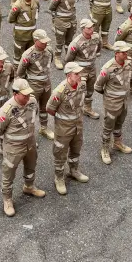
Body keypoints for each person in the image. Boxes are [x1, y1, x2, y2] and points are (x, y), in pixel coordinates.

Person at [0, 79, 46, 216]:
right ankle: (7, 199)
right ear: (15, 94)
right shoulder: (7, 110)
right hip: (13, 148)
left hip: (30, 142)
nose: (27, 97)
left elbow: (35, 116)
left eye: (29, 94)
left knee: (31, 166)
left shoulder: (33, 102)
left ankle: (29, 187)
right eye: (24, 95)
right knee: (8, 174)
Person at [46, 62, 88, 195]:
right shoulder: (60, 91)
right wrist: (62, 119)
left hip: (78, 124)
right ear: (69, 75)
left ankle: (74, 170)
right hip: (64, 128)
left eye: (79, 73)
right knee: (60, 153)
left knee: (76, 149)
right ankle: (59, 177)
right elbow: (50, 109)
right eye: (76, 74)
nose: (79, 75)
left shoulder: (82, 84)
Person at [93, 41, 132, 165]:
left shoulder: (128, 62)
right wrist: (109, 97)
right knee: (108, 126)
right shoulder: (108, 68)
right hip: (112, 103)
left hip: (124, 101)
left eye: (127, 51)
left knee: (120, 123)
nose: (126, 54)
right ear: (116, 53)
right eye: (123, 52)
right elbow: (98, 86)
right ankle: (105, 148)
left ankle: (117, 143)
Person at [17, 29, 55, 140]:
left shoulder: (49, 50)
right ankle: (29, 134)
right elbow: (20, 74)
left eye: (46, 41)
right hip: (33, 86)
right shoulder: (27, 55)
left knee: (45, 107)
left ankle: (44, 128)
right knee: (31, 110)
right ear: (35, 41)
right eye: (42, 41)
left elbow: (49, 63)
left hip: (47, 83)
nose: (45, 43)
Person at [64, 19, 102, 119]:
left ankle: (87, 108)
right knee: (77, 90)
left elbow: (98, 48)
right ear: (82, 29)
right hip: (80, 71)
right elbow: (68, 59)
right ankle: (72, 109)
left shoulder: (96, 37)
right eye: (88, 28)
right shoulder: (76, 43)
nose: (91, 29)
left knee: (90, 89)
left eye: (92, 27)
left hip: (92, 68)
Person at [49, 0, 78, 69]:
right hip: (61, 21)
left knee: (69, 40)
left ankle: (68, 57)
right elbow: (52, 8)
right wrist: (54, 21)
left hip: (72, 20)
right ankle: (57, 57)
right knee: (59, 41)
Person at [8, 0, 39, 66]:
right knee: (18, 57)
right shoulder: (17, 5)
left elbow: (37, 10)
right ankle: (17, 74)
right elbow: (10, 19)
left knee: (32, 54)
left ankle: (31, 71)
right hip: (21, 36)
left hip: (32, 35)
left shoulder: (35, 1)